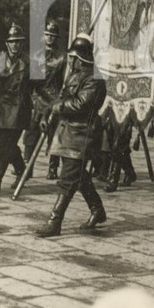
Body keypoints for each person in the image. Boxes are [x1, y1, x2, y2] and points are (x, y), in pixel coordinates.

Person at [35, 34, 108, 237]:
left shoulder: (94, 78)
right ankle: (97, 210)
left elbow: (82, 104)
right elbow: (63, 98)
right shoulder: (74, 75)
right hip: (68, 132)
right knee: (79, 177)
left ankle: (55, 221)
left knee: (67, 179)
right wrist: (50, 113)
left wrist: (59, 107)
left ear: (82, 58)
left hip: (83, 134)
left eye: (74, 57)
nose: (71, 61)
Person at [0, 23, 33, 194]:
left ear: (22, 43)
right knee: (5, 143)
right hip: (0, 107)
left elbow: (41, 87)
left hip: (19, 109)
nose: (15, 45)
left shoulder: (30, 63)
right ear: (7, 43)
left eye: (18, 41)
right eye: (12, 41)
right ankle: (21, 171)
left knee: (6, 144)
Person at [26, 20, 66, 181]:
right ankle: (27, 167)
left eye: (53, 36)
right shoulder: (35, 55)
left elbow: (63, 80)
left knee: (53, 136)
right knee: (30, 134)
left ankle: (53, 168)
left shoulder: (62, 57)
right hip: (37, 98)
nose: (49, 38)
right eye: (47, 35)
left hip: (53, 98)